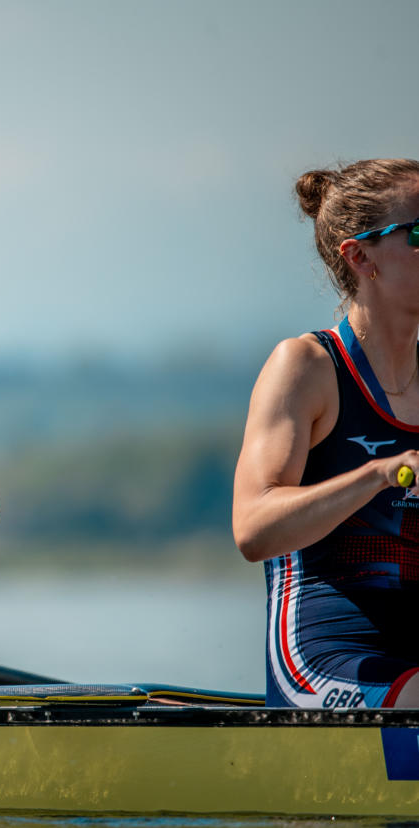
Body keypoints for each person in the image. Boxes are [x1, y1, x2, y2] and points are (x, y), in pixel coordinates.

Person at [233, 159, 419, 708]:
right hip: (323, 655)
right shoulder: (307, 367)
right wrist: (379, 474)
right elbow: (253, 528)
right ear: (360, 256)